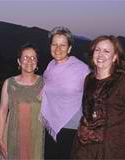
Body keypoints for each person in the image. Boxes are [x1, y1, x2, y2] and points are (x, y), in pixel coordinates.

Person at [41, 26, 90, 159]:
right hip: (49, 127)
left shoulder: (81, 69)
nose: (58, 48)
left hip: (72, 129)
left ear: (69, 48)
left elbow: (93, 96)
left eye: (63, 45)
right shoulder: (50, 66)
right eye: (54, 44)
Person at [0, 43, 44, 160]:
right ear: (19, 61)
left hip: (35, 138)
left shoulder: (44, 83)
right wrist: (0, 138)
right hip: (13, 136)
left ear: (37, 62)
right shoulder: (9, 83)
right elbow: (3, 112)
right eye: (25, 57)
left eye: (33, 57)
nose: (29, 60)